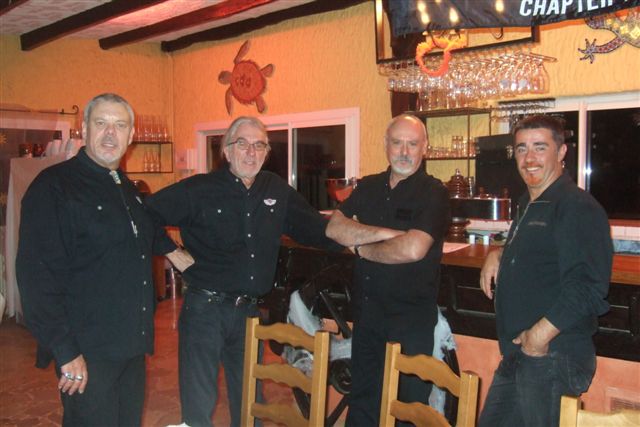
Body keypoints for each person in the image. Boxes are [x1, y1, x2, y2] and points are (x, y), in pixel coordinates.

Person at [145, 116, 397, 427]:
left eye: (259, 145)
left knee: (250, 402)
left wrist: (366, 239)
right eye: (242, 144)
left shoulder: (276, 190)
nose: (251, 152)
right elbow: (145, 214)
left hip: (249, 313)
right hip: (205, 310)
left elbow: (317, 230)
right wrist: (171, 251)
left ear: (266, 153)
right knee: (199, 405)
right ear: (227, 150)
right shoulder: (198, 189)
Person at [16, 93, 189, 426]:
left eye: (120, 125)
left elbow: (146, 228)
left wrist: (184, 259)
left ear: (131, 134)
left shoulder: (124, 186)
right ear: (84, 128)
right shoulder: (54, 186)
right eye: (101, 123)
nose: (111, 133)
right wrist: (65, 351)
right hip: (87, 350)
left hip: (131, 345)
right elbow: (36, 278)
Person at [478, 115, 613, 427]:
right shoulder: (530, 203)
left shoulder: (577, 206)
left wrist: (537, 338)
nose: (529, 158)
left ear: (561, 152)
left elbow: (588, 287)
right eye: (521, 149)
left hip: (552, 354)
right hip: (522, 354)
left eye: (540, 147)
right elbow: (542, 251)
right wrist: (499, 253)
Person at [325, 114, 451, 426]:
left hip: (411, 322)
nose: (404, 152)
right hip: (367, 317)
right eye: (397, 143)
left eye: (413, 144)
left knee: (406, 410)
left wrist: (361, 246)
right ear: (386, 145)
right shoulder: (367, 186)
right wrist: (386, 233)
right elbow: (334, 228)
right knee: (363, 404)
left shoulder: (434, 192)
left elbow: (412, 249)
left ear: (425, 148)